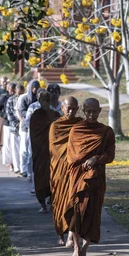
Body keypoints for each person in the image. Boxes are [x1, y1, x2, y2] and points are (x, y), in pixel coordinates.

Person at [65, 98, 115, 256]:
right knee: (78, 212)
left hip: (97, 178)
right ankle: (76, 248)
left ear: (100, 111)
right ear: (84, 111)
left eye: (94, 111)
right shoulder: (76, 130)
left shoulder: (106, 131)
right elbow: (71, 157)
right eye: (88, 111)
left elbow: (110, 155)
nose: (91, 115)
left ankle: (84, 250)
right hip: (79, 178)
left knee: (94, 213)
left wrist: (96, 159)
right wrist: (83, 167)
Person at [49, 96, 82, 245]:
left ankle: (71, 231)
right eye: (68, 108)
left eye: (74, 108)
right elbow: (54, 148)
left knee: (73, 200)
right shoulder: (56, 126)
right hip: (59, 170)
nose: (71, 111)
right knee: (58, 201)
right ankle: (59, 232)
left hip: (75, 169)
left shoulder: (80, 124)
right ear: (62, 108)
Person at [29, 91, 61, 213]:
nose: (45, 103)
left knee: (54, 177)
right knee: (40, 177)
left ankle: (53, 202)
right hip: (40, 152)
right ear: (39, 101)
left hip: (53, 153)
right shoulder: (35, 116)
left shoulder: (56, 114)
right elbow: (34, 134)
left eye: (47, 100)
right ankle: (42, 204)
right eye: (43, 100)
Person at [17, 79, 40, 180]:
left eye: (36, 87)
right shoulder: (24, 98)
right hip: (25, 127)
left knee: (32, 150)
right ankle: (24, 169)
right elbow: (21, 111)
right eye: (33, 87)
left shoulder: (39, 99)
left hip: (36, 128)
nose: (35, 89)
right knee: (24, 149)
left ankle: (30, 171)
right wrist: (27, 120)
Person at [6, 83, 24, 174]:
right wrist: (16, 123)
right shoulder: (11, 100)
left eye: (21, 93)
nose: (19, 95)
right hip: (14, 127)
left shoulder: (25, 99)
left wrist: (22, 122)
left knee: (23, 148)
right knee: (15, 148)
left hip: (24, 127)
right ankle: (16, 167)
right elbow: (9, 113)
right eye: (18, 93)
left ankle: (22, 167)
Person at [0, 81, 12, 166]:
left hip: (13, 122)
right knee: (4, 138)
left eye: (13, 90)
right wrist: (3, 115)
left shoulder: (17, 98)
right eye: (11, 90)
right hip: (5, 120)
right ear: (8, 90)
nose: (12, 92)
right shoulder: (4, 97)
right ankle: (6, 160)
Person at [0, 76, 9, 153]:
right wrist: (1, 114)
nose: (5, 83)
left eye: (6, 81)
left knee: (6, 131)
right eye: (3, 81)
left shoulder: (9, 91)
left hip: (8, 114)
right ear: (0, 82)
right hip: (1, 114)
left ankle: (5, 146)